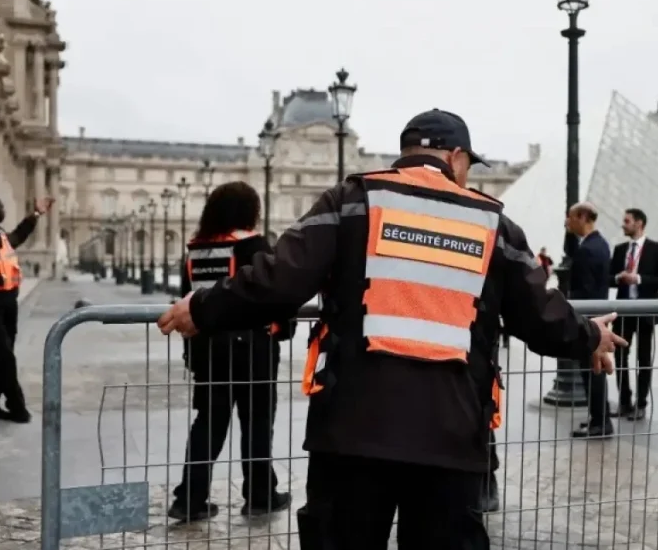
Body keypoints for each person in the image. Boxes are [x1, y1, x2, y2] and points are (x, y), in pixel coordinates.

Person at [157, 108, 625, 549]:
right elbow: (540, 315)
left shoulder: (351, 201)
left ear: (404, 154)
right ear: (456, 158)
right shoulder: (492, 224)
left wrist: (202, 308)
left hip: (353, 430)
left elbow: (278, 279)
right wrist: (590, 338)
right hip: (452, 435)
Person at [167, 182, 295, 522]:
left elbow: (186, 302)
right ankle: (259, 493)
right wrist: (284, 329)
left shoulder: (196, 249)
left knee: (208, 424)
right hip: (252, 348)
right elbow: (273, 290)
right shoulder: (253, 245)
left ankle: (189, 498)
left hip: (208, 348)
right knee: (256, 423)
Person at [0, 194, 52, 424]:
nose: (3, 211)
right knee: (4, 355)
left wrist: (36, 214)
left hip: (8, 302)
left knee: (0, 355)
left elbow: (20, 234)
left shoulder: (1, 235)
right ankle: (17, 406)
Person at [608, 208, 658, 421]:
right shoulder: (619, 249)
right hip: (623, 311)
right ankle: (624, 401)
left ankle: (641, 404)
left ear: (639, 223)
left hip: (645, 311)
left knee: (644, 359)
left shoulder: (656, 249)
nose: (623, 224)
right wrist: (618, 278)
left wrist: (639, 279)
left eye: (627, 221)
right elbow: (608, 277)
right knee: (620, 357)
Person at [566, 202, 614, 439]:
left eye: (570, 217)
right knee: (594, 371)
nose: (567, 222)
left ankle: (600, 422)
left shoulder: (587, 250)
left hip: (589, 321)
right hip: (597, 320)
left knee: (592, 371)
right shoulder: (601, 244)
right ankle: (598, 418)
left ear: (583, 217)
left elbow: (583, 291)